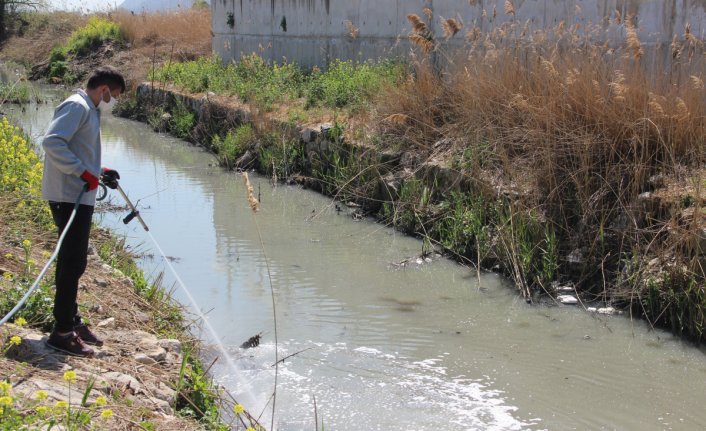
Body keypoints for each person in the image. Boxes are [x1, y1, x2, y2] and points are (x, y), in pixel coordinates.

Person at [41, 66, 125, 357]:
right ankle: (62, 333)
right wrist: (81, 173)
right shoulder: (77, 106)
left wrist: (98, 171)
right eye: (112, 96)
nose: (111, 102)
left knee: (73, 261)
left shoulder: (87, 109)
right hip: (68, 196)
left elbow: (77, 149)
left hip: (77, 193)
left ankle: (72, 322)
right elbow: (52, 142)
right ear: (102, 89)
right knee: (72, 262)